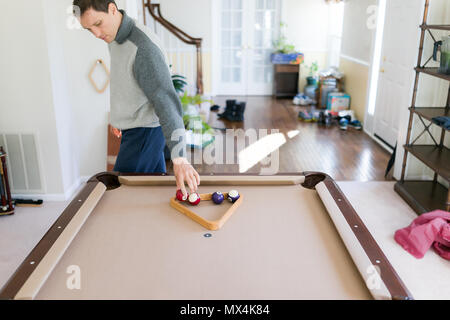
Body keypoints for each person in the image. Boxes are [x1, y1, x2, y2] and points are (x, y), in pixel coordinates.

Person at [73, 0, 199, 197]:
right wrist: (119, 116)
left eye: (97, 24)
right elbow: (125, 79)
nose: (96, 34)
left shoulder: (143, 48)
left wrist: (180, 158)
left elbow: (166, 102)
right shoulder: (113, 35)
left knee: (121, 195)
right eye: (89, 29)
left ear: (112, 9)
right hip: (135, 130)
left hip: (144, 134)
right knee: (150, 192)